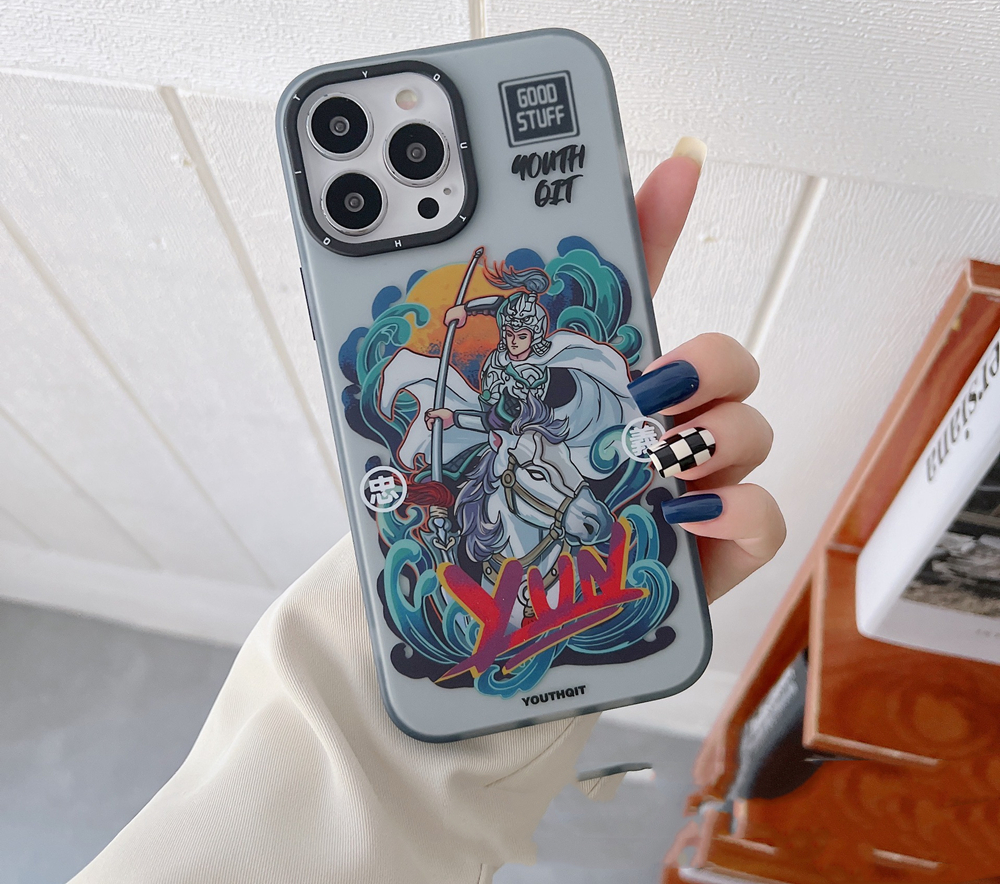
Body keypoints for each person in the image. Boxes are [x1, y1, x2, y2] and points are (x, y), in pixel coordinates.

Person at [70, 138, 785, 884]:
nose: (521, 337)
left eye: (526, 330)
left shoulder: (551, 358)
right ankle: (462, 538)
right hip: (497, 440)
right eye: (515, 330)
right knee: (457, 489)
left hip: (546, 436)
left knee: (567, 464)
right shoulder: (500, 359)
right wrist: (457, 382)